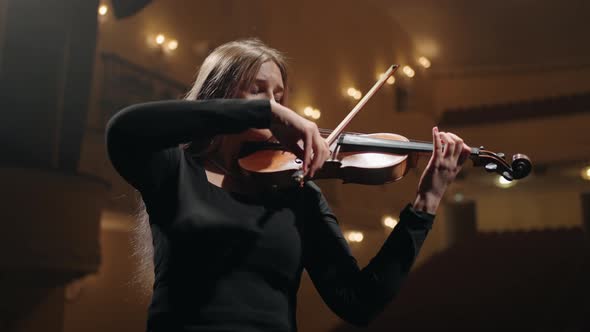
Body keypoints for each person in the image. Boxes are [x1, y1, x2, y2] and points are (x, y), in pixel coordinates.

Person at [105, 38, 471, 332]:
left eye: (279, 96)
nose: (275, 104)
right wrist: (266, 113)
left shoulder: (296, 191)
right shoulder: (174, 170)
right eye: (257, 90)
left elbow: (359, 302)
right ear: (218, 96)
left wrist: (427, 200)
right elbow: (124, 129)